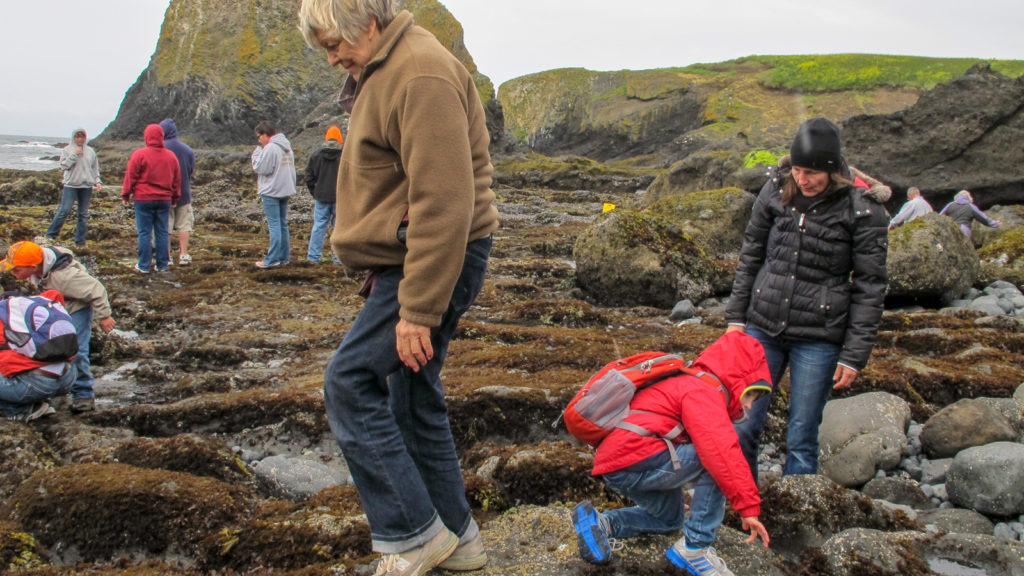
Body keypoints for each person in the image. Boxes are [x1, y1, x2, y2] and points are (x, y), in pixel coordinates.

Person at [298, 1, 500, 574]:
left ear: (366, 21)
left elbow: (446, 200)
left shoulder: (419, 72)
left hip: (431, 259)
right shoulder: (385, 69)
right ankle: (459, 542)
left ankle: (410, 535)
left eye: (333, 42)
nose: (331, 56)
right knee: (411, 396)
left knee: (349, 380)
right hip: (414, 258)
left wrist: (418, 307)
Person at [725, 117, 888, 478]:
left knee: (801, 434)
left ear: (833, 170)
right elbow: (751, 254)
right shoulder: (774, 190)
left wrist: (854, 355)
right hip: (763, 327)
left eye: (812, 172)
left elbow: (870, 285)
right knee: (742, 422)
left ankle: (795, 518)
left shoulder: (862, 209)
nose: (803, 180)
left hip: (819, 337)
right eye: (798, 169)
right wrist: (736, 320)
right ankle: (742, 505)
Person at [571, 331, 772, 576]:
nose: (749, 405)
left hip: (618, 463)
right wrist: (748, 507)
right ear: (737, 380)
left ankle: (603, 524)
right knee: (717, 460)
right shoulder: (702, 391)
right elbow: (721, 454)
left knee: (670, 520)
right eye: (750, 394)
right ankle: (695, 549)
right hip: (635, 458)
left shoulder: (687, 379)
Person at [0, 240, 116, 413]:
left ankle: (83, 394)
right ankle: (51, 386)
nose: (13, 273)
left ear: (33, 267)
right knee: (51, 347)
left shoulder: (63, 277)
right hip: (56, 310)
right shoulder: (41, 266)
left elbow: (96, 289)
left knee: (76, 351)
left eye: (17, 269)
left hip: (77, 310)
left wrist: (104, 316)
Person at [0, 289, 78, 421]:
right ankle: (40, 402)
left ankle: (21, 411)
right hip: (68, 377)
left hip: (38, 385)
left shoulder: (4, 323)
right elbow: (55, 293)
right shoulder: (37, 313)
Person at [122, 124, 181, 274]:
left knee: (144, 233)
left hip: (143, 199)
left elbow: (131, 175)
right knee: (162, 232)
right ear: (161, 137)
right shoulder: (171, 156)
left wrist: (126, 194)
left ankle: (143, 265)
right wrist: (175, 198)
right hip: (164, 200)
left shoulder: (139, 154)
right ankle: (162, 265)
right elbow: (176, 180)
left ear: (146, 136)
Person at [251, 120, 297, 269]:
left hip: (271, 191)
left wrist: (257, 153)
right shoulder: (287, 146)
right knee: (282, 223)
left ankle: (272, 259)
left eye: (259, 136)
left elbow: (261, 168)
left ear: (265, 134)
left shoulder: (270, 148)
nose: (259, 140)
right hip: (285, 189)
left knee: (275, 224)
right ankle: (284, 257)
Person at [46, 128, 102, 247]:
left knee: (83, 214)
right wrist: (74, 154)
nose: (80, 139)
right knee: (64, 210)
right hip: (71, 185)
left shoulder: (91, 151)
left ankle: (80, 241)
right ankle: (51, 235)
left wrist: (97, 181)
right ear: (73, 138)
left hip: (86, 186)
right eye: (77, 137)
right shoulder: (67, 150)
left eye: (82, 137)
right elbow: (63, 166)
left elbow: (94, 168)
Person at [160, 118, 196, 266]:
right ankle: (183, 254)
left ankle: (167, 256)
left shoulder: (160, 148)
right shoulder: (187, 150)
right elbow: (191, 170)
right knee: (184, 225)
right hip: (184, 192)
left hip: (164, 194)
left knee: (165, 227)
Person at [305, 126, 344, 264]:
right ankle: (337, 259)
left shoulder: (316, 155)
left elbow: (309, 176)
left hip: (321, 197)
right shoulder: (344, 155)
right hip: (340, 198)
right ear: (340, 138)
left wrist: (315, 192)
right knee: (338, 229)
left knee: (318, 227)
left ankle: (313, 257)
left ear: (326, 137)